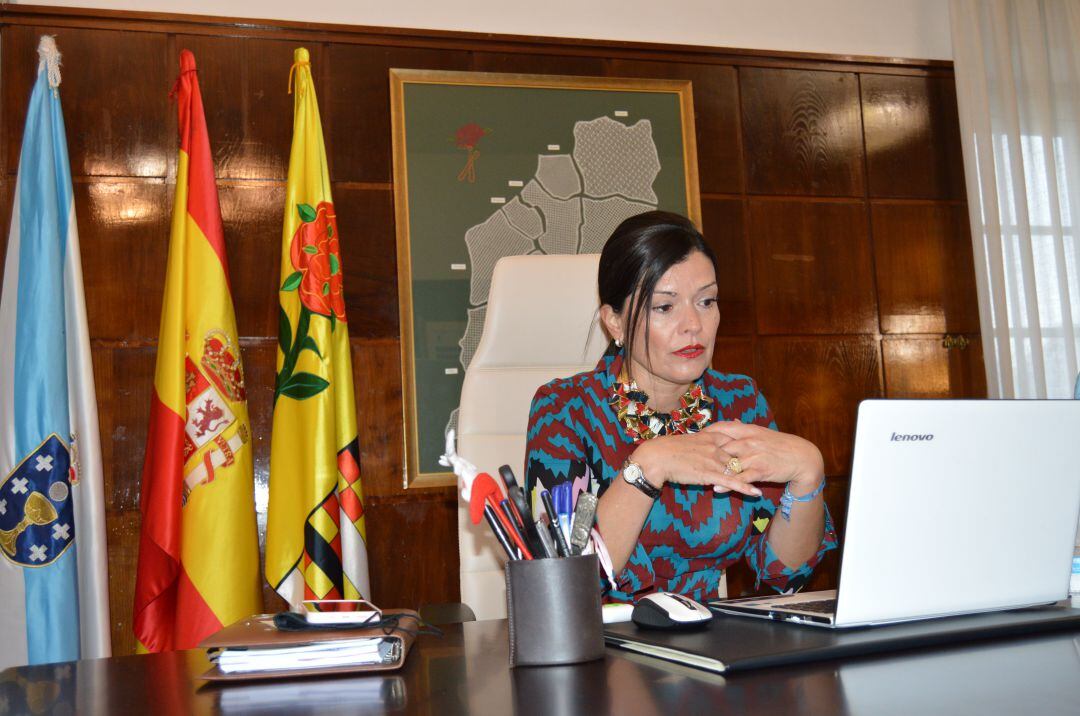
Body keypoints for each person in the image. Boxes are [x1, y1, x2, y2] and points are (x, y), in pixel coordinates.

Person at [524, 211, 836, 603]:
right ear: (614, 323)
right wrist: (650, 466)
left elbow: (783, 575)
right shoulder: (565, 410)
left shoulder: (738, 401)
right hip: (601, 645)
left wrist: (808, 473)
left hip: (710, 639)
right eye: (664, 307)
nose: (693, 325)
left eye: (707, 301)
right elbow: (560, 585)